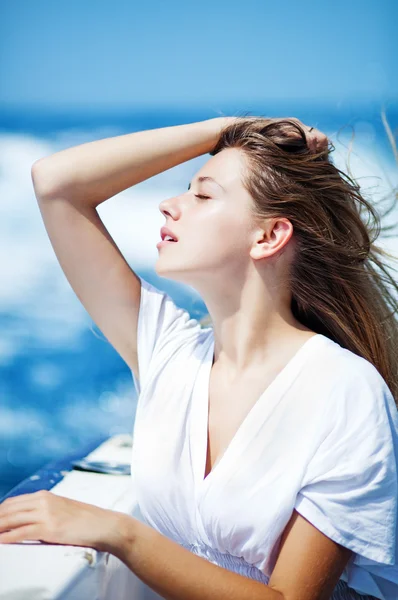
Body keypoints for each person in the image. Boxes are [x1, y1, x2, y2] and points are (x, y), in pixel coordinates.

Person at [0, 115, 397, 600]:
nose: (169, 205)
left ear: (269, 236)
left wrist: (124, 534)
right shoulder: (170, 352)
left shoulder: (346, 391)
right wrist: (232, 127)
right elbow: (56, 183)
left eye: (202, 196)